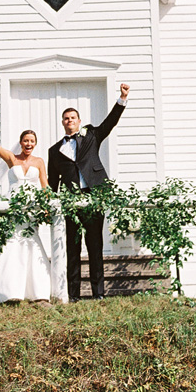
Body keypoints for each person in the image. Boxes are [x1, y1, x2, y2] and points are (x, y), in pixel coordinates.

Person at [47, 83, 130, 300]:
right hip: (70, 202)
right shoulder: (54, 151)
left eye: (73, 117)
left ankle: (98, 294)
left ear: (79, 121)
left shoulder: (92, 135)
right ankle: (73, 295)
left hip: (94, 197)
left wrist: (122, 99)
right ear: (62, 123)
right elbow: (51, 182)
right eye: (66, 118)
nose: (69, 121)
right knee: (72, 250)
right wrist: (50, 206)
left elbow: (110, 123)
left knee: (95, 247)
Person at [0, 120, 51, 303]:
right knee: (12, 243)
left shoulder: (39, 162)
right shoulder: (12, 159)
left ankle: (37, 292)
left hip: (30, 210)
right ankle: (8, 291)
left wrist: (46, 208)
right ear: (20, 142)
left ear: (35, 144)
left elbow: (45, 186)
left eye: (32, 141)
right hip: (13, 208)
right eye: (26, 141)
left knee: (31, 242)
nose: (29, 144)